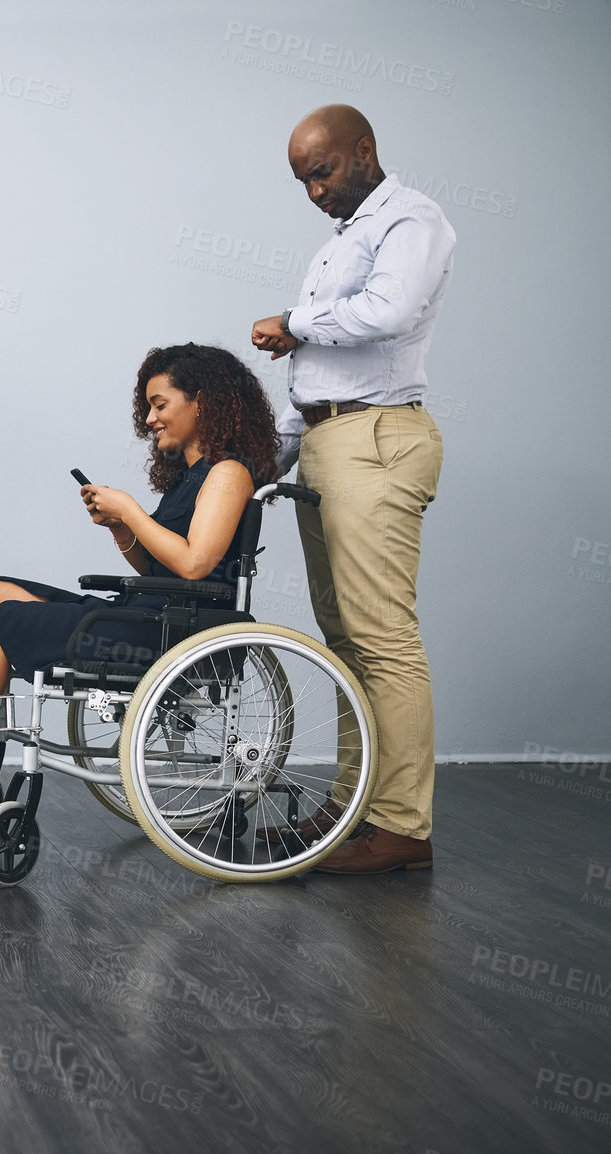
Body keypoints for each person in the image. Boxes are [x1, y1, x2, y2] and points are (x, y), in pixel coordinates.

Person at [0, 345, 275, 811]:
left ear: (202, 401)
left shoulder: (228, 472)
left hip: (174, 634)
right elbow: (159, 570)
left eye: (160, 405)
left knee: (3, 619)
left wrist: (130, 509)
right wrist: (119, 527)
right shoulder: (189, 478)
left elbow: (194, 567)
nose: (150, 420)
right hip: (153, 614)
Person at [248, 104, 452, 874]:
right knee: (345, 644)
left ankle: (400, 829)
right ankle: (352, 804)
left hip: (378, 441)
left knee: (383, 641)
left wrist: (297, 322)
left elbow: (388, 311)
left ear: (364, 151)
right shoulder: (342, 243)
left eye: (322, 172)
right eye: (302, 181)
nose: (312, 191)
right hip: (332, 441)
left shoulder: (412, 220)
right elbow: (322, 385)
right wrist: (263, 464)